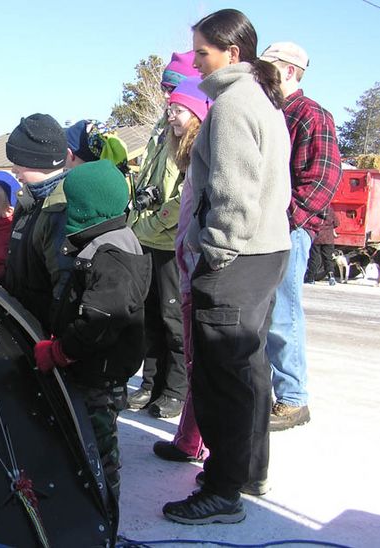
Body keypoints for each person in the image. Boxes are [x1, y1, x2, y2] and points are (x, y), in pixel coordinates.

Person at [162, 9, 291, 524]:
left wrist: (214, 252)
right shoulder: (259, 99)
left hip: (237, 257)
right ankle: (247, 470)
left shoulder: (234, 104)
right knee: (248, 369)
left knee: (222, 376)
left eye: (202, 53)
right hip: (264, 253)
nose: (196, 62)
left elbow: (233, 195)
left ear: (231, 54)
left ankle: (222, 490)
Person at [34, 159, 151, 507]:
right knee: (83, 435)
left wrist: (60, 352)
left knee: (98, 446)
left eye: (73, 203)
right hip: (91, 364)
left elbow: (102, 318)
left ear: (86, 208)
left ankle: (102, 511)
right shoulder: (105, 238)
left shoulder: (111, 255)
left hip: (100, 372)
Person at [260, 42, 342, 431]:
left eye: (270, 67)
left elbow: (323, 179)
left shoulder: (310, 115)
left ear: (290, 71)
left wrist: (285, 219)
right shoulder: (269, 111)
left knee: (282, 311)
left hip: (288, 231)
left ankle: (293, 398)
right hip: (264, 227)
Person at [126, 51, 200, 418]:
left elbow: (184, 194)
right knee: (149, 317)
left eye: (174, 89)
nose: (166, 98)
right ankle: (150, 383)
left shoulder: (196, 139)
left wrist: (154, 223)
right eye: (165, 89)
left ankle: (176, 388)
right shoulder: (162, 130)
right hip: (147, 236)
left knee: (173, 319)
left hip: (170, 241)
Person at [148, 77, 210, 462]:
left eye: (179, 106)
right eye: (169, 106)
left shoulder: (204, 152)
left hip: (198, 258)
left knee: (194, 350)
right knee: (188, 347)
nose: (171, 113)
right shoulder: (177, 150)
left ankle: (197, 438)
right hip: (185, 255)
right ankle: (189, 436)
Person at [4, 113, 72, 333]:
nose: (14, 169)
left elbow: (63, 281)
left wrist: (55, 341)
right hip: (21, 320)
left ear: (38, 161)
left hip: (41, 330)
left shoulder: (59, 209)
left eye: (18, 162)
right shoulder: (28, 201)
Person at [305, 205, 339, 285]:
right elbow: (337, 222)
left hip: (317, 238)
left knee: (314, 259)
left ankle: (311, 278)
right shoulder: (330, 210)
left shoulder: (315, 210)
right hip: (328, 239)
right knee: (328, 258)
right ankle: (331, 277)